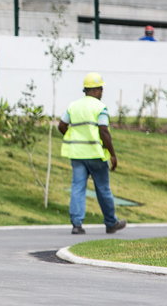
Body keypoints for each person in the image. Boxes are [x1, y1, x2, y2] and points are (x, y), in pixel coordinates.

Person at [58, 72, 126, 236]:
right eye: (101, 89)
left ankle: (76, 224)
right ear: (95, 90)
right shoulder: (100, 108)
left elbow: (61, 125)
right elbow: (104, 131)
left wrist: (73, 136)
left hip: (77, 155)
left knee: (77, 188)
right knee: (103, 189)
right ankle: (111, 223)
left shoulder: (73, 106)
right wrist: (113, 154)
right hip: (95, 155)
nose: (102, 92)